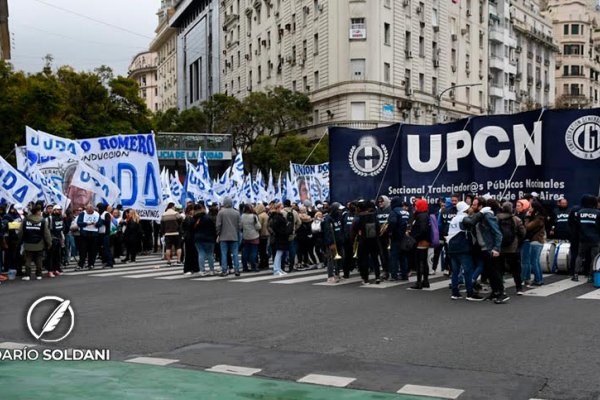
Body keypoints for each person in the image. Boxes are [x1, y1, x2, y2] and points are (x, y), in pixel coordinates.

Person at [462, 197, 506, 303]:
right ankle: (494, 292)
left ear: (481, 206)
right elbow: (469, 221)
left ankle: (501, 294)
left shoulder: (487, 215)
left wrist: (496, 248)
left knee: (495, 272)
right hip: (483, 249)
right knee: (489, 273)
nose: (472, 206)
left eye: (474, 204)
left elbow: (498, 233)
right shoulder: (479, 216)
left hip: (490, 248)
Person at [447, 201, 483, 301]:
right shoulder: (463, 217)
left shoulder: (454, 218)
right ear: (465, 210)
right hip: (462, 248)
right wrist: (481, 213)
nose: (471, 208)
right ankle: (470, 294)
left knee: (455, 271)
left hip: (452, 248)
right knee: (468, 271)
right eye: (469, 208)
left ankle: (455, 293)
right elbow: (471, 222)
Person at [496, 201, 526, 295]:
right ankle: (519, 288)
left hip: (500, 247)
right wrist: (517, 241)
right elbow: (523, 232)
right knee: (516, 269)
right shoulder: (516, 219)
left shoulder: (497, 218)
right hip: (513, 247)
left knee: (500, 269)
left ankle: (501, 288)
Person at [18, 205, 52, 280]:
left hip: (28, 243)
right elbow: (47, 233)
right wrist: (49, 243)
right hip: (39, 243)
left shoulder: (25, 220)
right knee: (39, 259)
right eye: (40, 211)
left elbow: (21, 232)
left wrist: (19, 242)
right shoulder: (43, 221)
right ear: (37, 212)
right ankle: (39, 275)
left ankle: (27, 275)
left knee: (28, 259)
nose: (40, 212)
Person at [572, 194, 600, 282]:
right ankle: (590, 276)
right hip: (595, 239)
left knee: (580, 256)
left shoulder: (580, 212)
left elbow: (576, 226)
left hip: (583, 239)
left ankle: (575, 275)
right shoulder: (598, 213)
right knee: (594, 258)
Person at [352, 200, 381, 285]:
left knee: (364, 259)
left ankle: (365, 278)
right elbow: (378, 227)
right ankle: (377, 277)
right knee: (375, 259)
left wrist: (353, 239)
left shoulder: (358, 217)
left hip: (363, 240)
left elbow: (354, 230)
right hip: (374, 240)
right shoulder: (373, 216)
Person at [409, 198, 432, 290]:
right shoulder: (424, 214)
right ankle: (425, 281)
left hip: (421, 241)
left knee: (419, 262)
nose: (415, 206)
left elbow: (422, 230)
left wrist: (415, 238)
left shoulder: (421, 216)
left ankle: (419, 282)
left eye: (416, 205)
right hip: (424, 240)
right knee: (423, 261)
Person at [523, 201, 546, 286]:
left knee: (534, 261)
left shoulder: (538, 218)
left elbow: (527, 227)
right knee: (536, 261)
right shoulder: (540, 217)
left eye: (531, 207)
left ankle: (538, 280)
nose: (529, 209)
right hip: (538, 241)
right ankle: (539, 279)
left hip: (536, 241)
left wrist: (527, 218)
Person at [217, 196, 242, 276]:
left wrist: (218, 233)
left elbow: (218, 225)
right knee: (235, 254)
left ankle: (224, 270)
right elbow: (240, 226)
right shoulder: (237, 213)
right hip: (234, 236)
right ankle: (237, 270)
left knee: (224, 254)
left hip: (223, 236)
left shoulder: (221, 212)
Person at [387, 197, 411, 281]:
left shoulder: (394, 212)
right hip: (404, 237)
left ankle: (394, 275)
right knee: (403, 257)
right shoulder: (406, 212)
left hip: (396, 237)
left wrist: (389, 231)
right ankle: (405, 275)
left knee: (394, 257)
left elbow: (392, 222)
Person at [322, 202, 345, 283]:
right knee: (331, 259)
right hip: (332, 242)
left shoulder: (339, 217)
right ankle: (330, 276)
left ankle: (337, 274)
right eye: (339, 210)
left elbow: (341, 228)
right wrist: (330, 243)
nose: (340, 211)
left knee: (340, 258)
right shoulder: (328, 218)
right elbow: (327, 232)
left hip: (339, 241)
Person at [76, 203, 103, 271]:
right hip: (84, 235)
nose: (89, 212)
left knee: (93, 251)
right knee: (83, 251)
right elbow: (79, 223)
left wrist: (96, 224)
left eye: (90, 210)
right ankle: (81, 264)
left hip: (94, 235)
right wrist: (86, 223)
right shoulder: (82, 214)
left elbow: (100, 223)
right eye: (88, 210)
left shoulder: (97, 214)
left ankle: (91, 264)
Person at [194, 203, 217, 276]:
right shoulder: (208, 218)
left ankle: (202, 270)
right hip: (209, 238)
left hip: (198, 238)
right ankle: (211, 270)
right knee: (210, 254)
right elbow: (213, 228)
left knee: (201, 253)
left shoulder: (194, 218)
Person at [269, 203, 289, 276]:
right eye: (281, 208)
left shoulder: (278, 216)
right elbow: (276, 227)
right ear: (277, 208)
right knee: (278, 253)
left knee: (280, 253)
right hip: (279, 237)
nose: (282, 209)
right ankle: (276, 270)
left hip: (281, 237)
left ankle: (279, 269)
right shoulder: (276, 217)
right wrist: (283, 232)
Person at [161, 202, 183, 266]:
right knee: (178, 247)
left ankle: (168, 262)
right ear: (172, 206)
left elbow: (162, 226)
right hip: (176, 233)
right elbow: (181, 220)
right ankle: (178, 261)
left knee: (168, 248)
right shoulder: (176, 213)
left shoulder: (164, 215)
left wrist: (163, 233)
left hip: (167, 234)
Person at [241, 204, 261, 272]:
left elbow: (240, 227)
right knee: (253, 252)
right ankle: (253, 266)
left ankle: (245, 266)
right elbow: (258, 227)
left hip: (245, 236)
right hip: (254, 236)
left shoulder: (242, 216)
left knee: (245, 252)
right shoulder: (254, 216)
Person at [375, 195, 391, 280]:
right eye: (379, 202)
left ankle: (391, 270)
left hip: (388, 236)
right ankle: (385, 270)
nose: (380, 203)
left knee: (389, 254)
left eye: (382, 201)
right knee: (382, 254)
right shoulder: (377, 211)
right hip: (380, 236)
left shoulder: (390, 210)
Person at [47, 204, 65, 277]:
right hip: (52, 238)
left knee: (57, 255)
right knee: (50, 255)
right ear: (54, 210)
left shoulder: (61, 218)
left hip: (59, 238)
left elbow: (62, 229)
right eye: (58, 210)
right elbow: (46, 229)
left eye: (60, 210)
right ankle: (50, 270)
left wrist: (62, 238)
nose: (59, 211)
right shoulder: (49, 218)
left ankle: (56, 269)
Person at [181, 204, 200, 274]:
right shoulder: (188, 218)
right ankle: (188, 269)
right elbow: (189, 227)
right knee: (190, 253)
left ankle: (195, 268)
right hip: (189, 238)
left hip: (191, 237)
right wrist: (196, 223)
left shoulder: (191, 218)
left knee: (194, 253)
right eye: (192, 210)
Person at [97, 203, 113, 269]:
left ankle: (110, 263)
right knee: (102, 249)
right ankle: (105, 261)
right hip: (100, 233)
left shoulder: (106, 214)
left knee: (106, 249)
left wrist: (100, 221)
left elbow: (107, 222)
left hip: (105, 234)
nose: (97, 209)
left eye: (98, 207)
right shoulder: (100, 214)